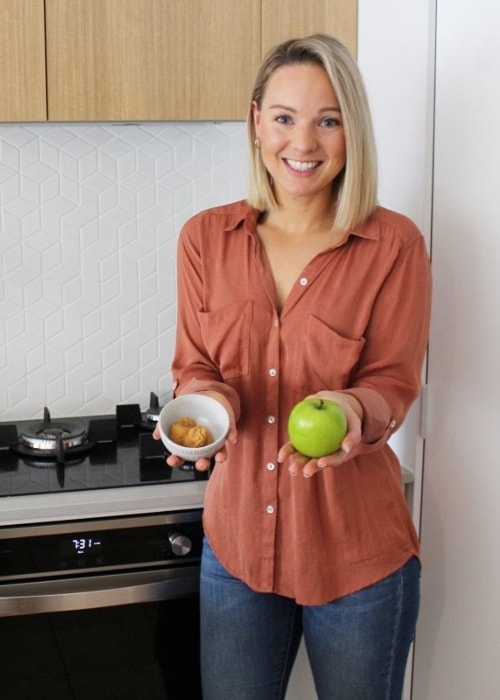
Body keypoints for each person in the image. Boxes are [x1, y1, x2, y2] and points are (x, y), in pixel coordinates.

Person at [154, 33, 432, 700]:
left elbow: (392, 381)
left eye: (327, 120)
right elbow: (194, 365)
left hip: (358, 557)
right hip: (238, 549)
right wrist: (207, 410)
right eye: (284, 118)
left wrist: (349, 411)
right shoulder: (204, 238)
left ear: (351, 130)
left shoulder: (392, 244)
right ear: (257, 122)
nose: (302, 143)